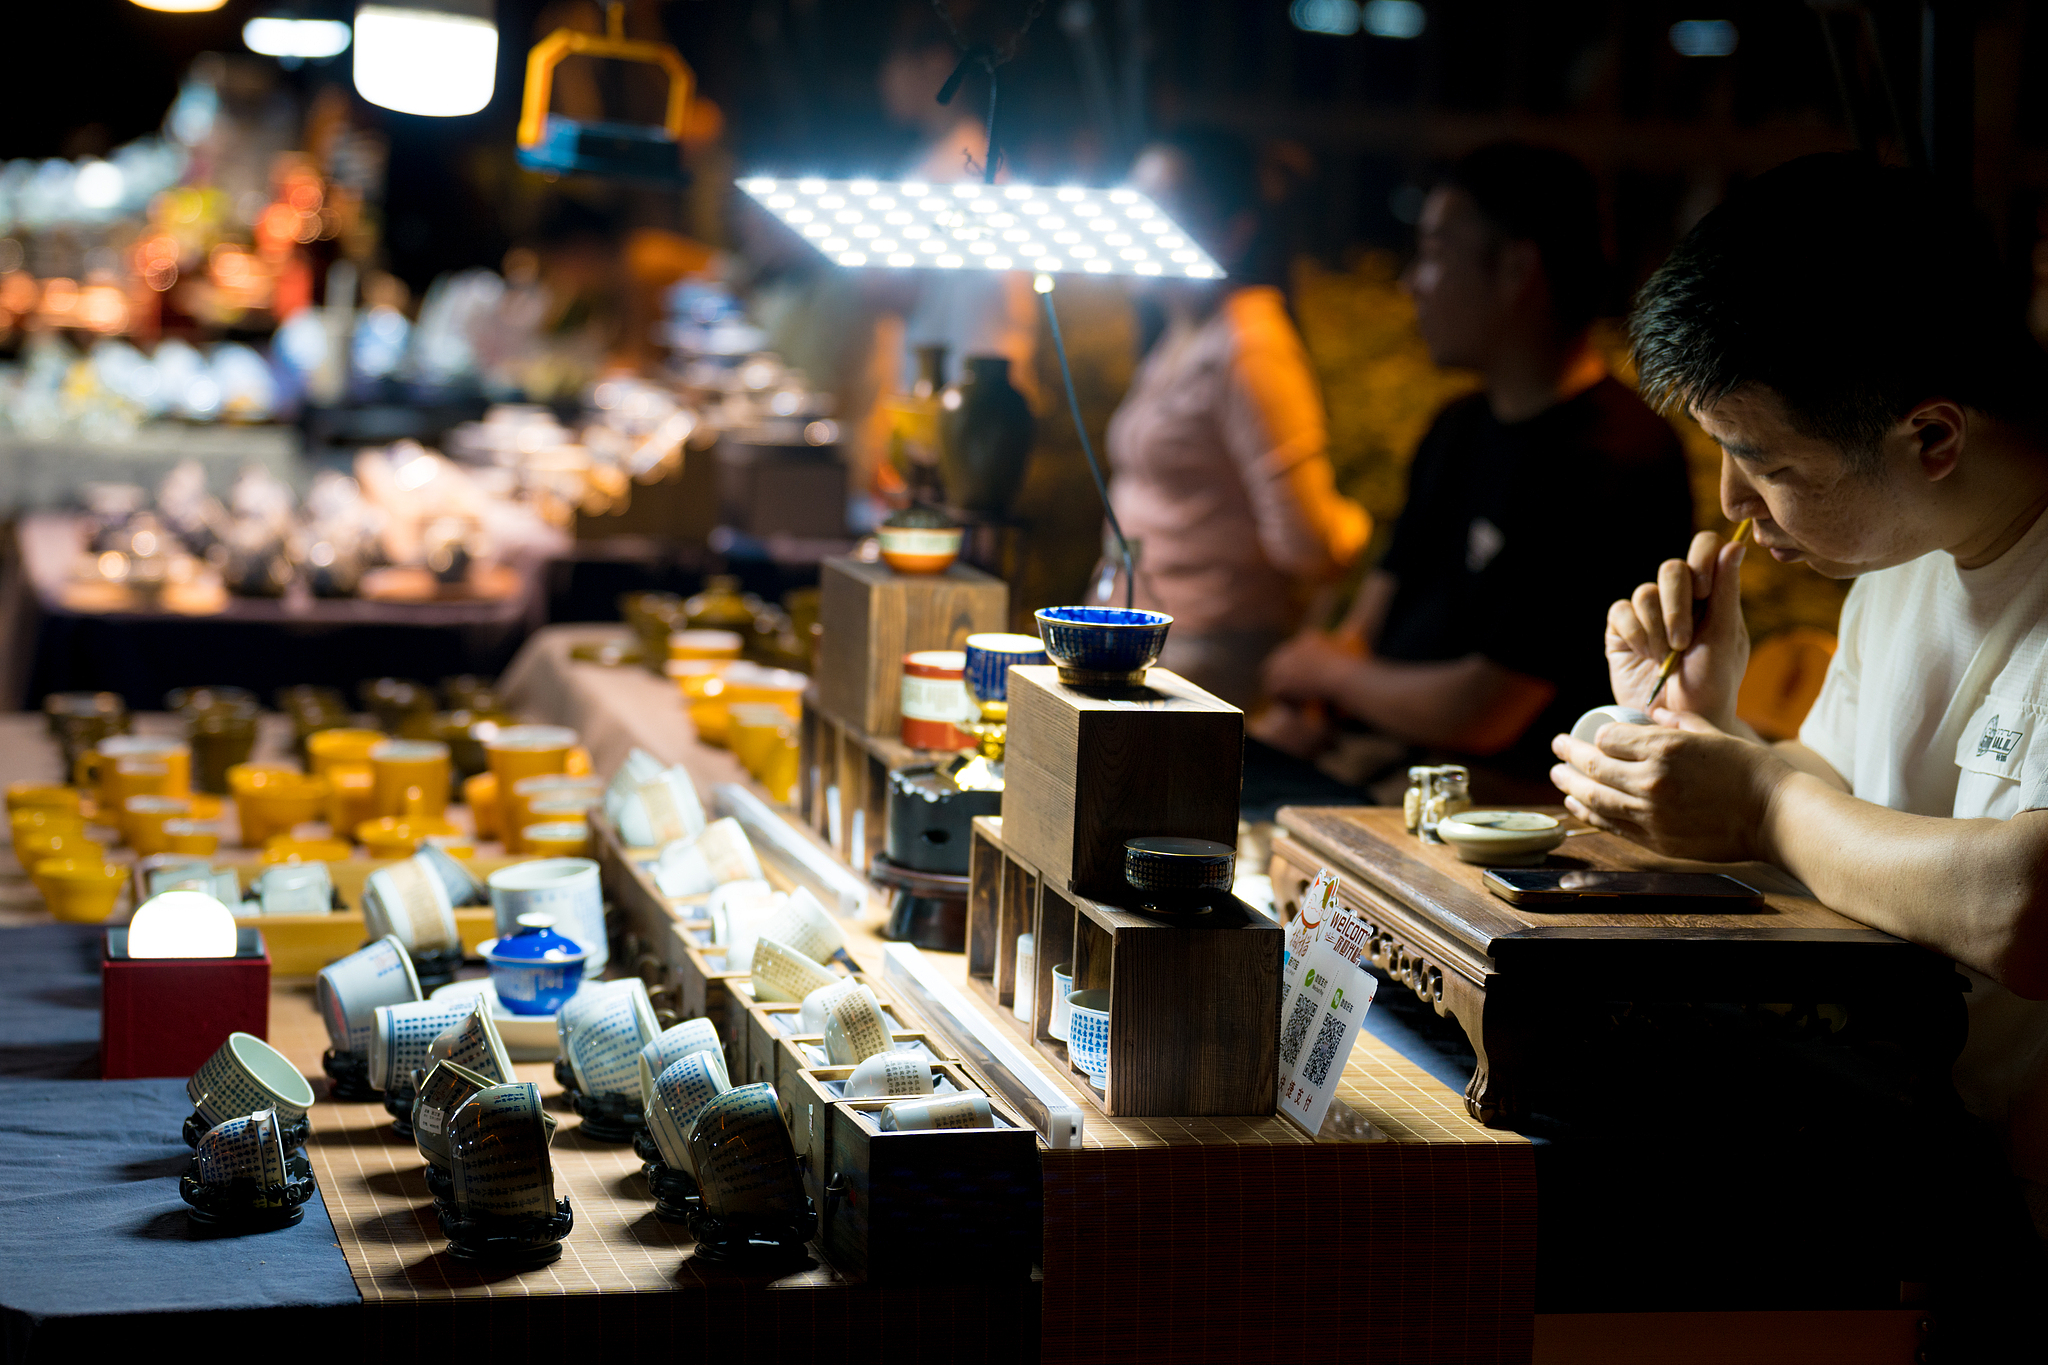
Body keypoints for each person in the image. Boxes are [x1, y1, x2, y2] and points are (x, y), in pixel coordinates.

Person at [1549, 153, 2048, 1334]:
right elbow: (1861, 808)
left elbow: (2023, 905)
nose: (1731, 501)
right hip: (1923, 1158)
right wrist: (1706, 735)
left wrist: (1760, 804)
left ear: (1929, 435)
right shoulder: (1899, 555)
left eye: (1766, 463)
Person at [1258, 142, 1692, 795]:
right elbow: (1367, 623)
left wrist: (1330, 677)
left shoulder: (1613, 459)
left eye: (1435, 253)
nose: (1413, 283)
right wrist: (1315, 704)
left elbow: (1486, 709)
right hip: (1380, 757)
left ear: (1518, 268)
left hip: (1503, 798)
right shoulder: (1457, 427)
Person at [1103, 133, 1370, 708]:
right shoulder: (1180, 333)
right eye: (1132, 205)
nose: (1137, 226)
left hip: (1203, 657)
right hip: (1139, 637)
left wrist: (1351, 531)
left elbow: (1304, 540)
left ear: (1234, 229)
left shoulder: (1249, 344)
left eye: (1162, 208)